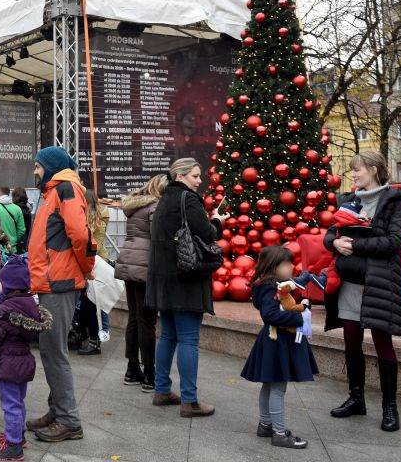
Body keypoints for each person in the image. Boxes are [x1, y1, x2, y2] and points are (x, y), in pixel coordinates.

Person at [323, 151, 401, 432]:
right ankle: (356, 399)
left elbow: (395, 242)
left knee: (383, 343)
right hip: (349, 283)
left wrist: (356, 245)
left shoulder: (395, 202)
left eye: (357, 170)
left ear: (373, 170)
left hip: (380, 283)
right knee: (351, 342)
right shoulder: (350, 201)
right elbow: (330, 234)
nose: (354, 175)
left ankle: (389, 407)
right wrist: (335, 244)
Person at [146, 158, 229, 418]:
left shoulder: (163, 200)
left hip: (163, 279)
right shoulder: (188, 200)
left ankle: (161, 390)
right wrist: (218, 221)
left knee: (168, 336)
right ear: (180, 176)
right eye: (195, 175)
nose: (199, 180)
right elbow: (206, 233)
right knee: (189, 339)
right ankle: (190, 401)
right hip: (186, 279)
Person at [23, 147, 92, 443]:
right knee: (51, 351)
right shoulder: (54, 190)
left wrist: (85, 268)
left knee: (54, 353)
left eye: (38, 166)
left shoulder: (65, 189)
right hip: (52, 282)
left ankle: (69, 421)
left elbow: (81, 236)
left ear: (50, 166)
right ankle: (58, 410)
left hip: (59, 283)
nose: (35, 171)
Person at [241, 246, 318, 449]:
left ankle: (266, 424)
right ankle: (279, 433)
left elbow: (295, 285)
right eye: (287, 263)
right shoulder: (269, 288)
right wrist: (299, 317)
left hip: (273, 341)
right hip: (277, 341)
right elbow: (269, 314)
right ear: (275, 266)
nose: (292, 266)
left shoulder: (274, 284)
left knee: (269, 384)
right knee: (277, 387)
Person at [0, 256, 52, 461]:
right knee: (18, 401)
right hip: (23, 361)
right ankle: (18, 436)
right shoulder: (29, 304)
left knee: (10, 405)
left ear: (9, 285)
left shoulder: (6, 310)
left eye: (2, 281)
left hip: (8, 364)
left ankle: (13, 446)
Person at [115, 174, 166, 391]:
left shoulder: (135, 206)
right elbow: (159, 238)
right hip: (145, 267)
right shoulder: (155, 207)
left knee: (134, 318)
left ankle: (132, 368)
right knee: (147, 321)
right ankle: (150, 374)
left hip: (128, 263)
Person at [71, 189, 109, 356]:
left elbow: (85, 241)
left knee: (90, 304)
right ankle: (91, 335)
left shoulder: (87, 219)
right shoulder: (102, 214)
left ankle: (92, 339)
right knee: (94, 304)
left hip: (92, 264)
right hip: (101, 261)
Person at [0, 187, 26, 262]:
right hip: (12, 248)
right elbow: (22, 230)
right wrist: (13, 239)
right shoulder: (17, 208)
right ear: (8, 194)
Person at [11, 187, 33, 255]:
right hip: (25, 240)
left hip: (16, 241)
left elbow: (20, 229)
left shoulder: (14, 209)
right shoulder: (27, 210)